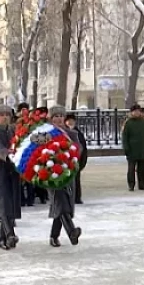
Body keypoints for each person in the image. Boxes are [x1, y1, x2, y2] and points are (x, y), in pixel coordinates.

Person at [0, 105, 22, 249]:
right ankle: (10, 234)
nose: (5, 117)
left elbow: (24, 141)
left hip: (12, 170)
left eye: (7, 114)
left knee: (9, 204)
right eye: (1, 114)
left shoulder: (14, 131)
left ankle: (4, 240)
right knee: (2, 204)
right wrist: (10, 155)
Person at [48, 106, 82, 247]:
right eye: (55, 116)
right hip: (51, 173)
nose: (59, 119)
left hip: (68, 172)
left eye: (61, 116)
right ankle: (72, 231)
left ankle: (54, 236)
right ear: (50, 118)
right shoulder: (44, 133)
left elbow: (78, 150)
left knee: (64, 203)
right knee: (60, 201)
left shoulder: (72, 133)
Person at [122, 104, 144, 191]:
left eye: (138, 111)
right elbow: (125, 137)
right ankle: (131, 184)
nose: (137, 113)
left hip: (143, 149)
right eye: (135, 111)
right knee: (131, 168)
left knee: (142, 169)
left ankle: (142, 184)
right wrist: (126, 148)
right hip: (132, 150)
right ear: (131, 113)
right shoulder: (128, 123)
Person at [64, 114, 88, 204]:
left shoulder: (78, 133)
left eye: (72, 121)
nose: (70, 122)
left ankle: (77, 197)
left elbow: (83, 147)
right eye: (68, 120)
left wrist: (81, 160)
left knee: (76, 179)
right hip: (65, 159)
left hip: (76, 160)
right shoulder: (63, 132)